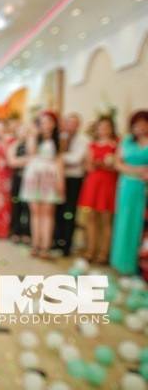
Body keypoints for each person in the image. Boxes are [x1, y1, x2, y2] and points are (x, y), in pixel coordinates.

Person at [20, 111, 64, 260]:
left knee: (48, 213)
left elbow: (59, 161)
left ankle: (46, 246)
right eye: (43, 121)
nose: (46, 124)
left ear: (54, 123)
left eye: (49, 121)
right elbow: (31, 152)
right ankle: (35, 244)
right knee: (35, 212)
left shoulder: (59, 139)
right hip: (34, 174)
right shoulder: (34, 137)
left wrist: (60, 180)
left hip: (50, 176)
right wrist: (34, 134)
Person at [110, 110, 148, 274]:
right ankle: (120, 262)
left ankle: (138, 263)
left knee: (140, 223)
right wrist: (135, 170)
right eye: (136, 124)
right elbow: (117, 163)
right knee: (124, 222)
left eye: (143, 124)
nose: (139, 127)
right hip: (127, 185)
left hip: (144, 187)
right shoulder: (126, 142)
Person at [78, 116, 118, 264]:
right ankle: (90, 250)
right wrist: (93, 164)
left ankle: (104, 253)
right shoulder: (92, 145)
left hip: (108, 183)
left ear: (111, 128)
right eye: (100, 126)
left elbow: (116, 165)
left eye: (107, 126)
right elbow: (88, 166)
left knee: (106, 220)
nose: (103, 129)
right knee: (90, 218)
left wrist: (108, 163)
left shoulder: (116, 145)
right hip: (93, 183)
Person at [54, 113, 89, 256]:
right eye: (68, 123)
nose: (70, 126)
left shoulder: (83, 140)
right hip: (59, 177)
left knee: (69, 212)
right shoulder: (61, 138)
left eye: (74, 123)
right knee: (58, 210)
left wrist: (60, 158)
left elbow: (76, 159)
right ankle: (58, 240)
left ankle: (67, 245)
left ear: (78, 125)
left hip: (74, 179)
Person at [8, 123, 31, 244]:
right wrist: (26, 161)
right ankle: (16, 231)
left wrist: (21, 161)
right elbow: (12, 162)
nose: (23, 133)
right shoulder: (13, 145)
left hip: (30, 178)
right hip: (17, 177)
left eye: (25, 130)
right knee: (16, 204)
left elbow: (33, 158)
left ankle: (27, 232)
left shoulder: (32, 144)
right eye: (21, 130)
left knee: (28, 206)